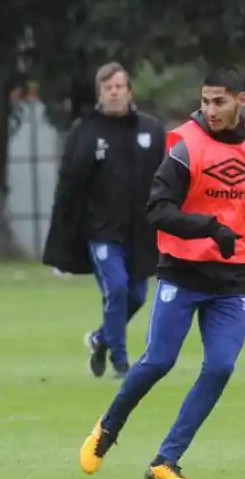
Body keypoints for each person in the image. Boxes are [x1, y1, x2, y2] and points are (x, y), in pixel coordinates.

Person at [78, 67, 245, 479]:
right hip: (182, 274)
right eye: (205, 101)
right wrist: (210, 227)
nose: (210, 110)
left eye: (220, 101)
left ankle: (166, 460)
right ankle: (108, 428)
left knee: (221, 366)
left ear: (240, 102)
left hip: (231, 281)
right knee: (159, 361)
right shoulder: (184, 145)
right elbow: (158, 210)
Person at [42, 62, 166, 378]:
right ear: (100, 94)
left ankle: (100, 339)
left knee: (137, 295)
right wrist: (63, 240)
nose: (114, 93)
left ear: (129, 91)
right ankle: (121, 363)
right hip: (100, 232)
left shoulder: (150, 131)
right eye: (107, 88)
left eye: (119, 87)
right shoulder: (85, 133)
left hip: (138, 232)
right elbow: (68, 188)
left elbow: (163, 180)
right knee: (117, 288)